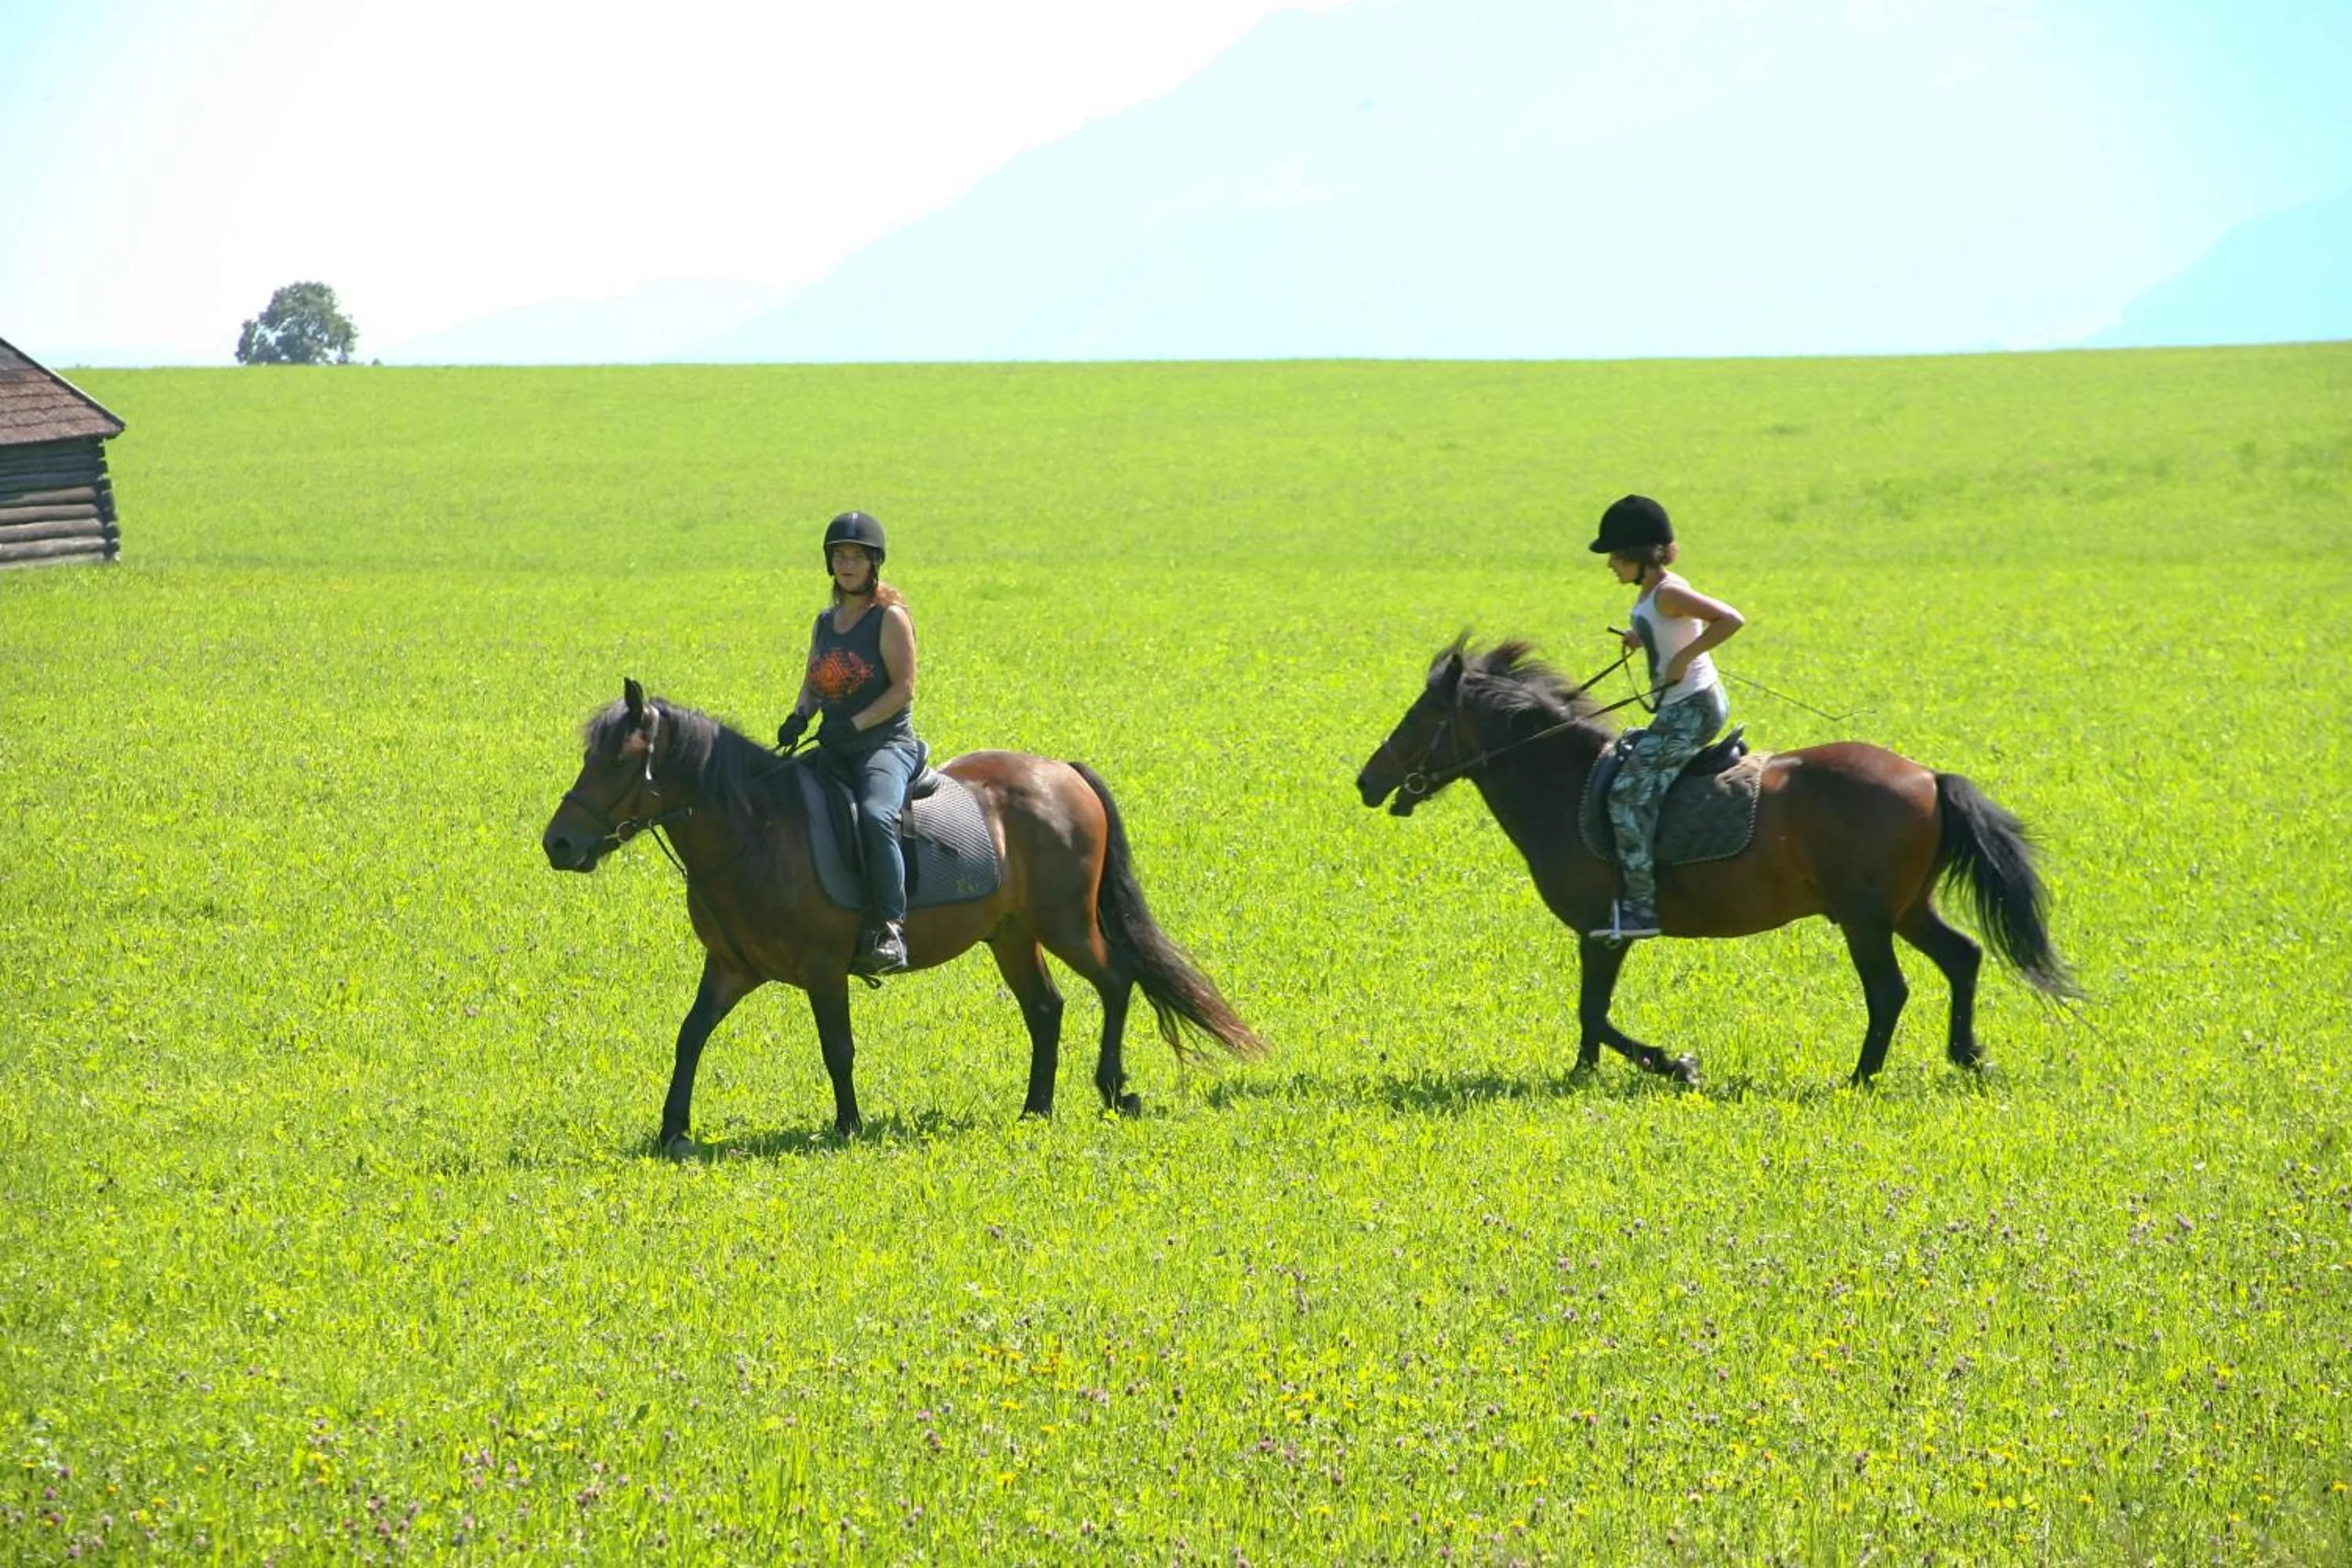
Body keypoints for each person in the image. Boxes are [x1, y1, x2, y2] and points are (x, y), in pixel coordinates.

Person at [1589, 494, 1744, 942]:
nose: (1610, 566)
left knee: (1626, 794)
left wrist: (1684, 659)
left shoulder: (1671, 593)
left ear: (1638, 557)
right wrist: (1643, 637)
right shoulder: (1654, 593)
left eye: (1616, 557)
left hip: (1692, 709)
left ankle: (1642, 907)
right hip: (1680, 707)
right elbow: (1664, 621)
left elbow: (1730, 619)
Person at [776, 510, 922, 975]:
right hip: (835, 745)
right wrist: (799, 717)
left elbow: (903, 688)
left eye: (856, 556)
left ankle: (891, 929)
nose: (847, 564)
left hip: (884, 746)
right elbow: (815, 682)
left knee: (877, 816)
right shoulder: (826, 621)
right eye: (840, 556)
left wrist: (856, 724)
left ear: (873, 563)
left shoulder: (890, 619)